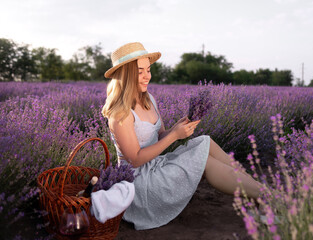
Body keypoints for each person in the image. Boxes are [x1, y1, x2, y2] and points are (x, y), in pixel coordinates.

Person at [101, 42, 264, 230]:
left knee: (206, 142)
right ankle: (266, 196)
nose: (147, 76)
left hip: (156, 165)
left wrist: (177, 128)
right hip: (140, 183)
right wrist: (175, 136)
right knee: (206, 162)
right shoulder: (120, 114)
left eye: (148, 69)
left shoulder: (148, 98)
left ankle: (258, 191)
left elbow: (160, 135)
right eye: (140, 72)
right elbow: (136, 160)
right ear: (127, 75)